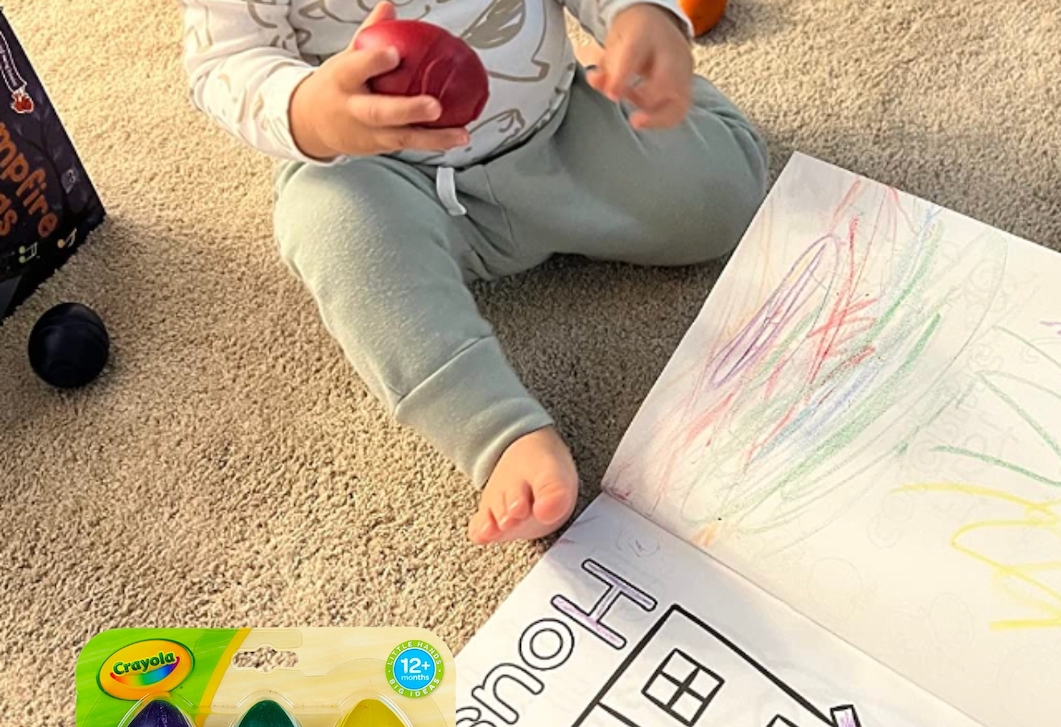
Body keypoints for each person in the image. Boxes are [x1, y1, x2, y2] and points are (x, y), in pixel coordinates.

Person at [182, 0, 768, 542]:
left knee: (720, 196)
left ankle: (652, 95)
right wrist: (308, 108)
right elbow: (222, 60)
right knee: (330, 226)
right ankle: (499, 432)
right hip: (384, 175)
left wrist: (640, 17)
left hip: (558, 128)